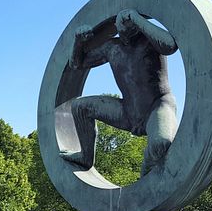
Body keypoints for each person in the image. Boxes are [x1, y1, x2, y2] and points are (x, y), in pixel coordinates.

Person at [64, 9, 179, 176]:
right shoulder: (112, 47)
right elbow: (76, 64)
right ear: (115, 26)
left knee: (161, 143)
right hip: (128, 110)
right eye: (123, 22)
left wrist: (137, 18)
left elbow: (170, 45)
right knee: (79, 107)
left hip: (158, 106)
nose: (126, 25)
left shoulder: (150, 41)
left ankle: (145, 176)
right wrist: (78, 41)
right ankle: (85, 157)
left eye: (131, 22)